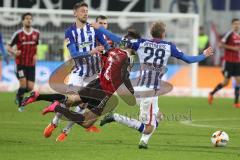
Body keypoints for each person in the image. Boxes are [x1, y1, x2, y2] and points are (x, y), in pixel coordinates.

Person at [90, 21, 214, 149]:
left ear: (151, 33)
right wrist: (203, 55)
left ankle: (143, 142)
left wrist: (100, 28)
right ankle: (115, 117)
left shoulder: (141, 43)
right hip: (149, 91)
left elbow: (117, 40)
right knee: (147, 128)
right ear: (163, 34)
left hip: (140, 88)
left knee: (158, 116)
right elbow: (188, 59)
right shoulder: (168, 46)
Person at [22, 2, 111, 141]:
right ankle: (54, 123)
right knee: (69, 100)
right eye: (82, 11)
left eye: (87, 11)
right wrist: (91, 51)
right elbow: (74, 54)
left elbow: (106, 47)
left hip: (94, 73)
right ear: (75, 13)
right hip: (79, 71)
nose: (85, 13)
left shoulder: (94, 29)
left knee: (82, 104)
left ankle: (65, 131)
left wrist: (107, 52)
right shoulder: (70, 32)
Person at [7, 12, 40, 112]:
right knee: (23, 85)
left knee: (30, 87)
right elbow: (8, 47)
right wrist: (14, 51)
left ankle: (18, 93)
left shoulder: (36, 33)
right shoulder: (18, 34)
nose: (29, 20)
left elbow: (36, 46)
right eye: (26, 18)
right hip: (20, 63)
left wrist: (36, 55)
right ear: (23, 20)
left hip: (31, 64)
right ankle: (21, 105)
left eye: (30, 18)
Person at [208, 18, 240, 108]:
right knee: (226, 82)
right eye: (235, 24)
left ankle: (236, 102)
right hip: (228, 61)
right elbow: (220, 45)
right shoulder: (229, 34)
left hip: (237, 61)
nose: (237, 25)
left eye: (238, 24)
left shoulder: (239, 35)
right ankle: (211, 93)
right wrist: (233, 48)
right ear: (232, 25)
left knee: (238, 80)